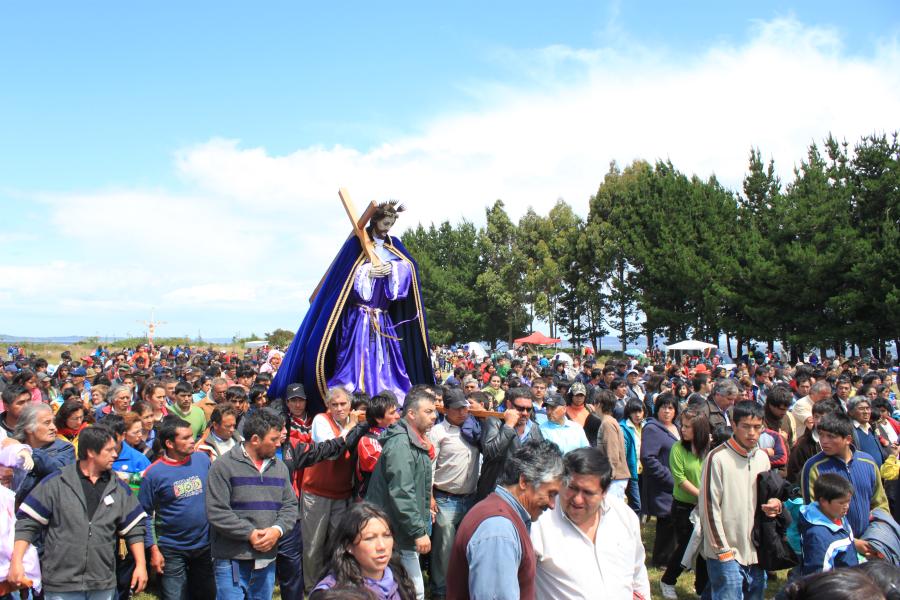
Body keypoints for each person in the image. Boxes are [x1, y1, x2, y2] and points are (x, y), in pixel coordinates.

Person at [270, 200, 434, 416]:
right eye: (385, 223)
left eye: (391, 224)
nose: (388, 228)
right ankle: (357, 395)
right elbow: (341, 279)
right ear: (375, 221)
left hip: (382, 316)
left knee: (385, 360)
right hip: (358, 316)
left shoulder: (394, 245)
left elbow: (409, 267)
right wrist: (366, 272)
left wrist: (393, 268)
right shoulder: (356, 245)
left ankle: (385, 395)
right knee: (357, 357)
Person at [9, 425, 149, 598]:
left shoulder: (118, 487)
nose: (115, 454)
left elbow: (135, 528)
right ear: (91, 452)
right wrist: (16, 562)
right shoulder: (56, 483)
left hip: (102, 583)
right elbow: (27, 524)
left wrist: (141, 565)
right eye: (109, 450)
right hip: (61, 584)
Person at [446, 440, 564, 600]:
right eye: (550, 493)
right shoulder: (499, 530)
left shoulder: (501, 517)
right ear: (524, 482)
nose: (552, 505)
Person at [530, 446, 650, 599]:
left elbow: (638, 571)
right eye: (572, 488)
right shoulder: (539, 523)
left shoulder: (624, 516)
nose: (577, 499)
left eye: (587, 492)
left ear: (604, 492)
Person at [205, 408, 299, 600]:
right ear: (255, 439)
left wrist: (277, 530)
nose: (278, 443)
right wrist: (250, 534)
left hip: (266, 561)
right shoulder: (223, 466)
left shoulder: (279, 467)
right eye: (273, 439)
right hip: (231, 560)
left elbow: (290, 506)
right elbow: (217, 511)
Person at [698, 401, 782, 600]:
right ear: (734, 426)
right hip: (727, 550)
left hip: (755, 550)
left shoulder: (762, 458)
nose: (752, 433)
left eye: (757, 427)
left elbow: (769, 492)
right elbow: (709, 508)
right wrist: (722, 550)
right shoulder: (717, 458)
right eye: (746, 426)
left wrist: (775, 505)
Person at [366, 387, 437, 600]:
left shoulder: (413, 439)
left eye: (435, 411)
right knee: (414, 591)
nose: (434, 416)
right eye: (429, 411)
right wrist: (418, 530)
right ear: (411, 414)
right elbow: (402, 491)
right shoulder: (401, 443)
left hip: (399, 529)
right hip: (395, 530)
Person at [139, 417, 216, 600]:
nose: (192, 441)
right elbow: (145, 515)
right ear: (169, 443)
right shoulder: (153, 474)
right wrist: (154, 549)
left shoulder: (202, 460)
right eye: (186, 438)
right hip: (172, 549)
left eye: (192, 436)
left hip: (205, 546)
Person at [301, 388, 358, 592]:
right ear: (328, 406)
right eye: (335, 404)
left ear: (350, 405)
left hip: (342, 493)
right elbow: (331, 452)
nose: (339, 408)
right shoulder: (321, 420)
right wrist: (350, 427)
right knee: (314, 545)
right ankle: (312, 587)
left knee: (339, 544)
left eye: (343, 404)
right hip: (317, 492)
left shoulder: (354, 421)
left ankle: (337, 585)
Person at [801, 411, 889, 540]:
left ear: (848, 439)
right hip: (835, 545)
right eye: (821, 435)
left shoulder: (868, 462)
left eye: (831, 436)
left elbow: (880, 504)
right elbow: (814, 514)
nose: (824, 441)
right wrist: (851, 542)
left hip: (870, 542)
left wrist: (877, 536)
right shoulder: (814, 467)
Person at [427, 388, 480, 600]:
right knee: (443, 551)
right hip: (445, 498)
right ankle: (440, 592)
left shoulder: (474, 428)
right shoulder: (438, 432)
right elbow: (430, 466)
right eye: (457, 409)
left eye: (464, 408)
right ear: (446, 409)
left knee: (465, 548)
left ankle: (460, 589)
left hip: (470, 497)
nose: (462, 412)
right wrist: (430, 496)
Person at [310, 502, 417, 600]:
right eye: (370, 538)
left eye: (386, 535)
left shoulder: (398, 577)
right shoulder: (332, 594)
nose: (382, 546)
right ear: (348, 546)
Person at [660, 408, 711, 599]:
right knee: (685, 547)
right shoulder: (677, 448)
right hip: (684, 507)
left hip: (704, 506)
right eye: (683, 425)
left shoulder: (708, 449)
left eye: (688, 427)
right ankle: (668, 581)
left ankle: (702, 588)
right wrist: (702, 495)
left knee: (706, 549)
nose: (683, 429)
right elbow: (680, 479)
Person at [475, 386, 544, 501]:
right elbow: (490, 453)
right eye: (520, 408)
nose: (525, 413)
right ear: (509, 405)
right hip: (494, 493)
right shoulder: (494, 422)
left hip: (522, 496)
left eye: (529, 409)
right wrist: (508, 426)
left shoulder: (534, 428)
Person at [640, 392, 680, 567]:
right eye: (663, 407)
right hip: (664, 484)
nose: (667, 411)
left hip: (679, 482)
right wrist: (669, 477)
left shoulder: (677, 427)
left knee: (676, 522)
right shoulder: (652, 428)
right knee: (666, 522)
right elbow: (648, 458)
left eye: (670, 408)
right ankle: (661, 559)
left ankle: (673, 557)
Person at [13, 402, 76, 504]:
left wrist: (33, 454)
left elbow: (57, 471)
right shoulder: (14, 449)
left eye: (53, 422)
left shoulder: (65, 448)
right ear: (29, 428)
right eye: (47, 423)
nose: (53, 428)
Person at [797, 472, 858, 575]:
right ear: (824, 501)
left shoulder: (838, 516)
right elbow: (818, 576)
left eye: (848, 501)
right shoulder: (818, 536)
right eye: (841, 503)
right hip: (835, 587)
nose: (846, 506)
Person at [355, 391, 400, 500]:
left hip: (393, 498)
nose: (398, 416)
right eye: (392, 413)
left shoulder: (398, 433)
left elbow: (429, 452)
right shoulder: (367, 441)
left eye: (397, 412)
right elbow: (388, 465)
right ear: (378, 419)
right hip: (374, 501)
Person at [593, 389, 631, 500]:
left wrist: (609, 475)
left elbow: (612, 451)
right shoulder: (609, 421)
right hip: (614, 476)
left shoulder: (607, 423)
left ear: (599, 404)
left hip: (615, 477)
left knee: (612, 511)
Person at [619, 399, 644, 514]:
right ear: (629, 413)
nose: (637, 415)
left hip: (644, 470)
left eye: (640, 411)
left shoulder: (646, 426)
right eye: (634, 412)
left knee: (642, 502)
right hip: (632, 471)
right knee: (636, 504)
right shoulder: (623, 428)